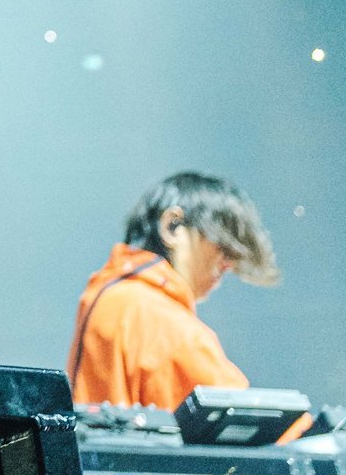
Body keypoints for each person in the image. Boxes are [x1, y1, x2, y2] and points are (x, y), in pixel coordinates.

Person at [69, 172, 282, 409]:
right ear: (172, 226)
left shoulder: (111, 295)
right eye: (222, 243)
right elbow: (243, 413)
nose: (228, 262)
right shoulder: (150, 313)